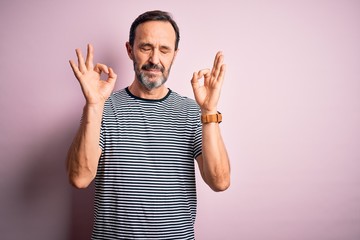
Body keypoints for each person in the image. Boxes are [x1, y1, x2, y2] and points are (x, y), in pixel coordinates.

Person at [67, 10, 230, 240]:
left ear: (174, 55)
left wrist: (209, 111)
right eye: (145, 47)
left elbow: (220, 181)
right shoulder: (102, 108)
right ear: (130, 50)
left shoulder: (193, 112)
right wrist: (93, 105)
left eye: (164, 50)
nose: (155, 59)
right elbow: (79, 178)